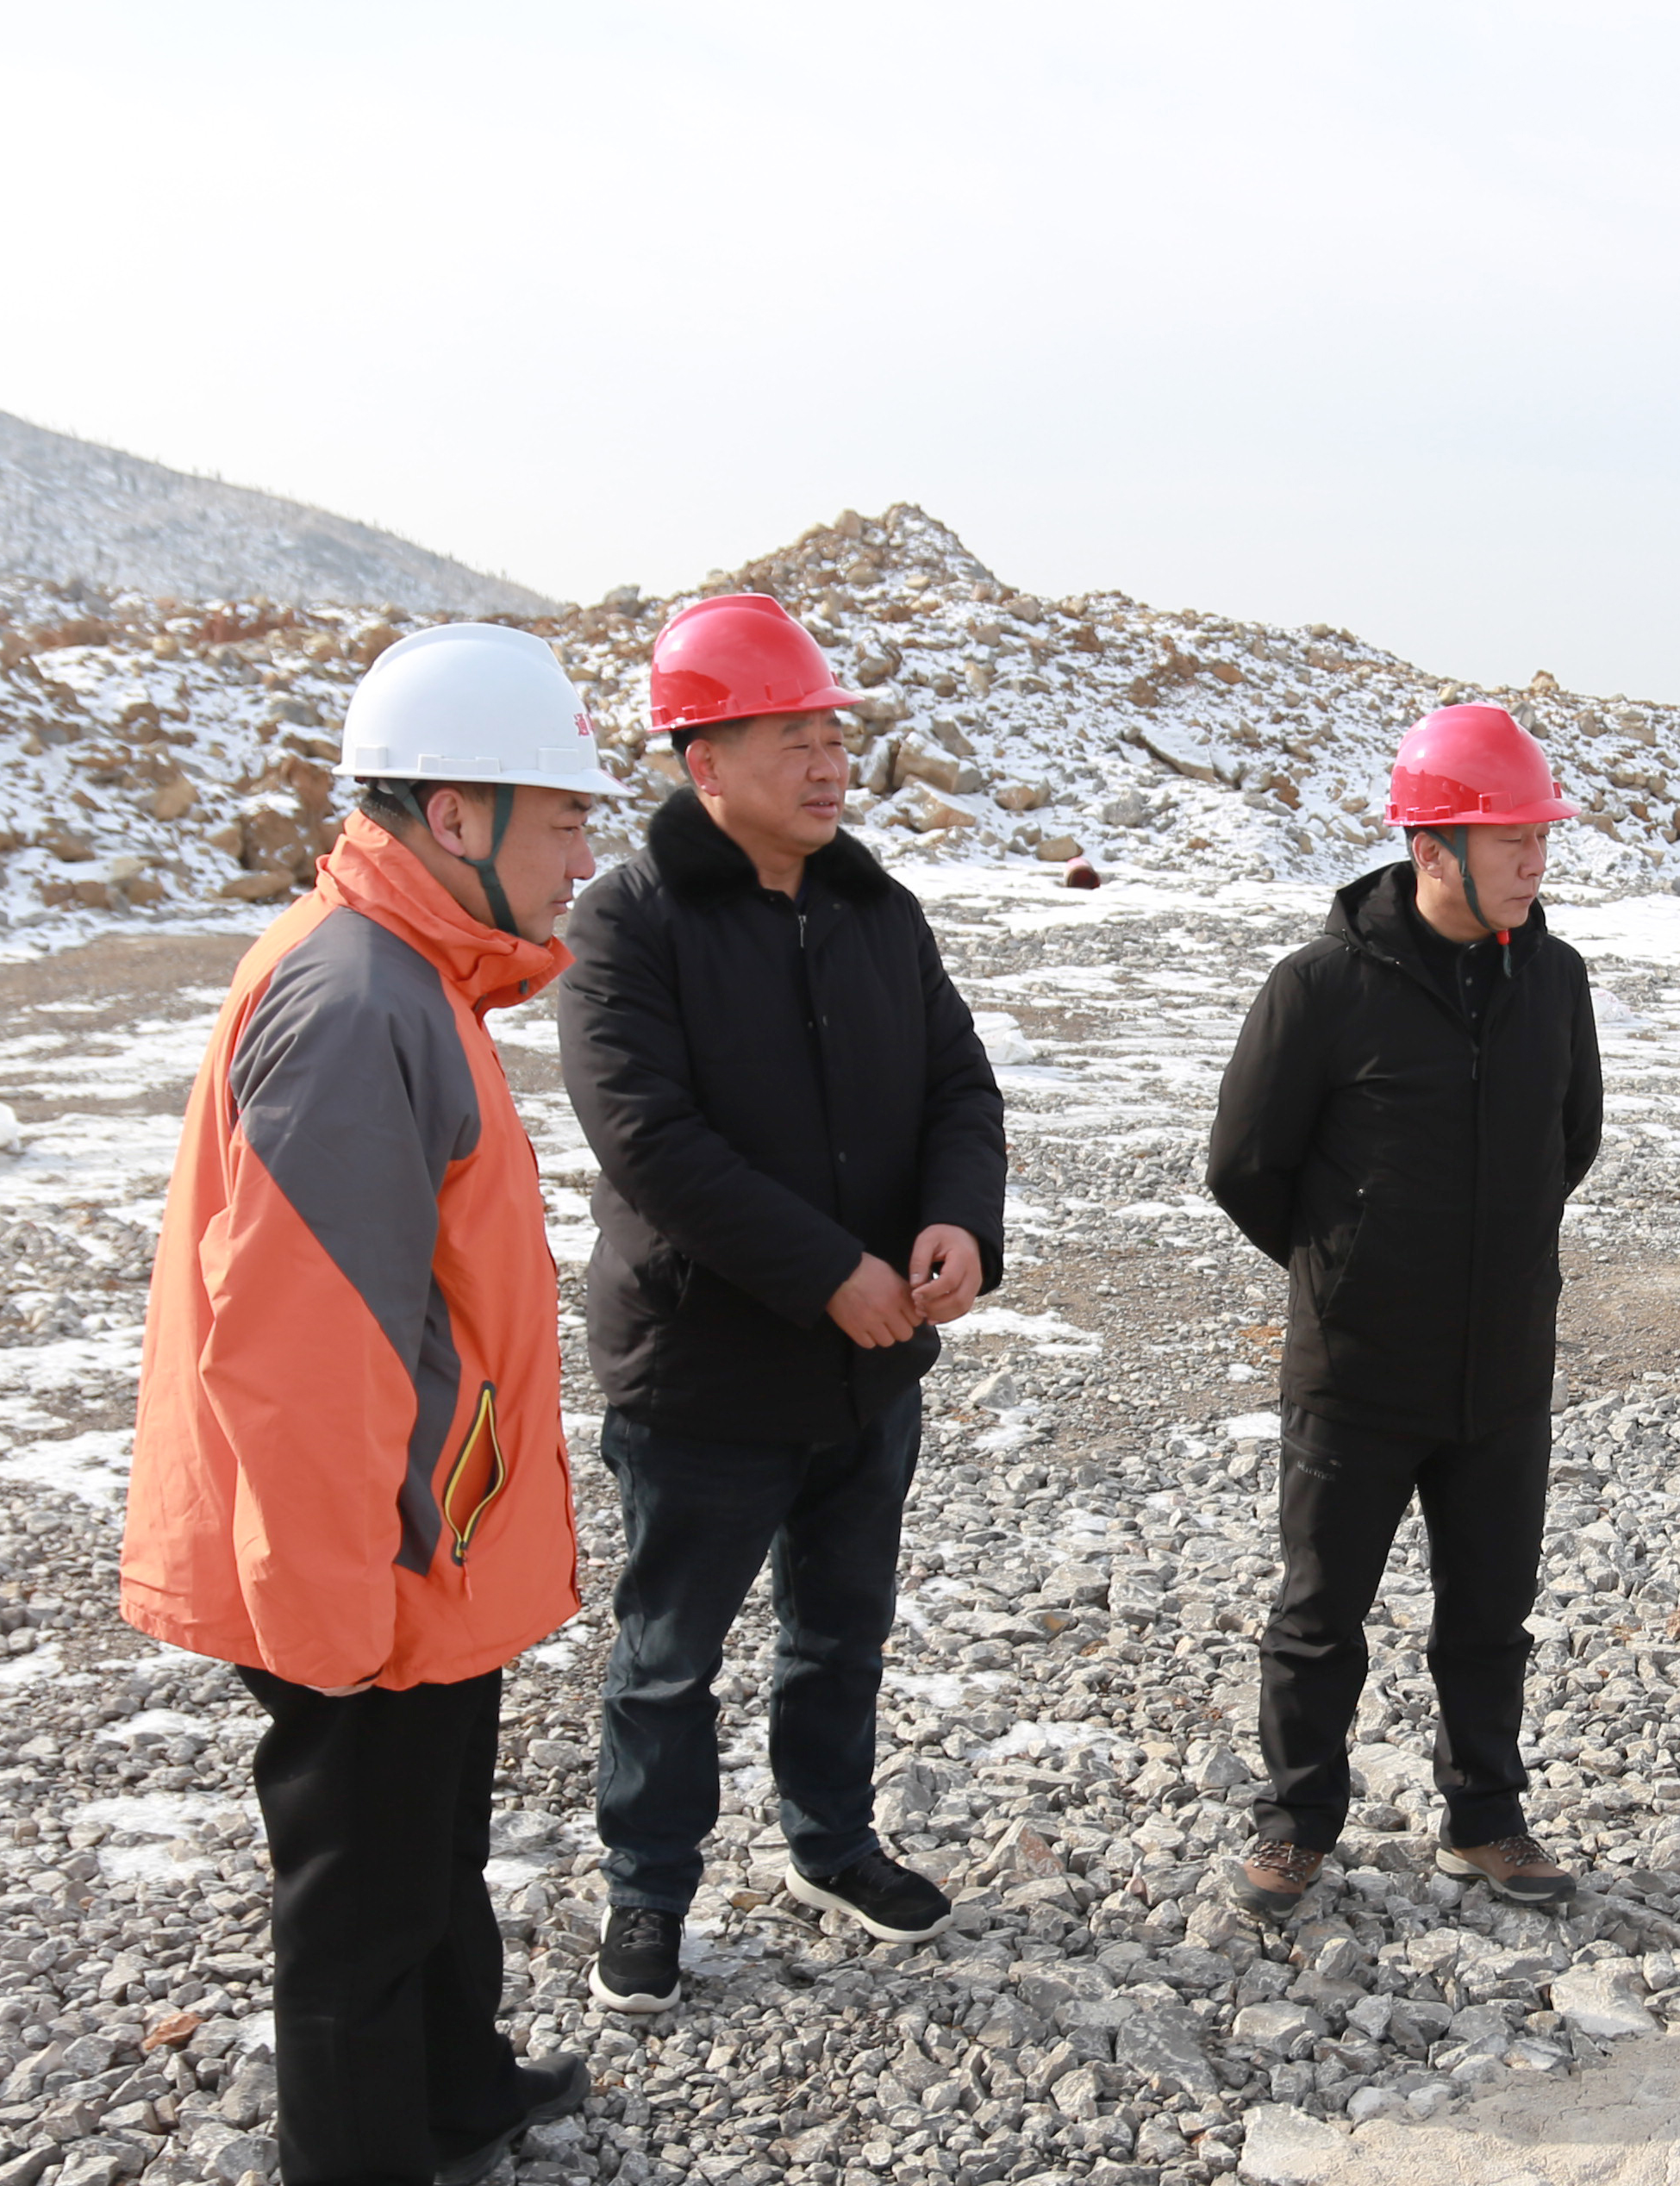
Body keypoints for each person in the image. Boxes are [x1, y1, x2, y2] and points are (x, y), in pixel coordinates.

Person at [122, 623, 617, 2186]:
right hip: (365, 1562)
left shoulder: (409, 973)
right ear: (456, 815)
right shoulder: (356, 1000)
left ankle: (455, 2094)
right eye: (565, 818)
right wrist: (333, 1621)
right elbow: (301, 1357)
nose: (586, 857)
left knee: (432, 1847)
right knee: (361, 1896)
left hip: (420, 1536)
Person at [556, 593, 1005, 2014]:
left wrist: (957, 1224)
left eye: (833, 739)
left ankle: (832, 1841)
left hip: (868, 1367)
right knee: (668, 1655)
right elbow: (650, 1141)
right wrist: (828, 1272)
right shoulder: (627, 922)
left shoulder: (877, 910)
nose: (827, 765)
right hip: (704, 1369)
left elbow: (958, 1086)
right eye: (792, 740)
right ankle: (647, 1892)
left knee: (841, 1630)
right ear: (704, 762)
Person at [1203, 704, 1603, 1916]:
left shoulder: (1556, 979)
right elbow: (1245, 1165)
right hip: (1359, 1369)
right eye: (1513, 838)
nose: (1536, 859)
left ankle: (1485, 1819)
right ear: (1434, 850)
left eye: (1542, 835)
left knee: (1491, 1616)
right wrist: (1348, 1270)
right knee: (1319, 1615)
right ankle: (1296, 1824)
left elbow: (1572, 1141)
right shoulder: (1320, 987)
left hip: (1503, 1369)